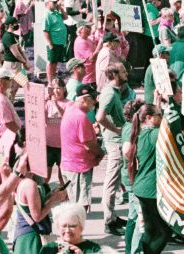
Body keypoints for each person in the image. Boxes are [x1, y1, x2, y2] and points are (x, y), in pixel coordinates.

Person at [125, 104, 170, 254]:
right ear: (149, 118)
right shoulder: (154, 134)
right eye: (159, 114)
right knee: (164, 232)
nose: (162, 117)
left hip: (141, 187)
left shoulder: (138, 133)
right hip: (151, 189)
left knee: (150, 230)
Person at [60, 84, 102, 216]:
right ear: (84, 99)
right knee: (80, 208)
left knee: (73, 205)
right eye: (93, 98)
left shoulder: (71, 107)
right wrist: (101, 153)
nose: (95, 101)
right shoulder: (81, 117)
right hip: (79, 167)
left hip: (68, 164)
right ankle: (76, 235)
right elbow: (89, 144)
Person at [97, 66, 129, 235]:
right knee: (112, 181)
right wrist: (116, 130)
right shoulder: (110, 93)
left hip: (115, 141)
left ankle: (113, 216)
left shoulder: (112, 91)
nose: (127, 74)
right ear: (115, 74)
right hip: (115, 142)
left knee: (115, 182)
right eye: (123, 72)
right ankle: (108, 220)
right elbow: (100, 117)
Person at [13, 166, 69, 254]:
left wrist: (52, 194)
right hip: (31, 238)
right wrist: (53, 200)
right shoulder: (29, 184)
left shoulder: (29, 180)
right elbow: (37, 217)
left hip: (30, 235)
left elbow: (38, 203)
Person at [39, 202, 106, 254]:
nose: (67, 230)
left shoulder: (94, 249)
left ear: (81, 227)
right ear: (58, 227)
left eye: (72, 226)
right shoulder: (48, 249)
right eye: (64, 226)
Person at [44, 0, 68, 83]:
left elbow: (66, 17)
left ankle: (53, 79)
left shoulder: (56, 13)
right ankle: (50, 81)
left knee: (55, 62)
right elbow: (45, 30)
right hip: (54, 42)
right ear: (48, 3)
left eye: (56, 2)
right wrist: (50, 43)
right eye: (53, 2)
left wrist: (61, 8)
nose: (55, 4)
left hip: (60, 42)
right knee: (51, 62)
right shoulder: (47, 15)